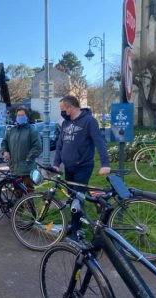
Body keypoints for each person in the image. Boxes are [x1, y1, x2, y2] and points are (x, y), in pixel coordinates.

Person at [53, 95, 111, 238]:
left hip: (83, 167)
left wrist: (105, 164)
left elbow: (99, 141)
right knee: (72, 197)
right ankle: (75, 224)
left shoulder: (89, 121)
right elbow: (60, 145)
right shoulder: (65, 123)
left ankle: (77, 230)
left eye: (62, 109)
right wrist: (56, 163)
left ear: (70, 108)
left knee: (78, 198)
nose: (61, 112)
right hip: (69, 167)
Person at [1, 107, 42, 193]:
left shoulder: (32, 130)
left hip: (27, 169)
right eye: (18, 115)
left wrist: (28, 158)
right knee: (17, 193)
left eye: (22, 115)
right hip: (14, 168)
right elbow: (4, 142)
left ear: (27, 117)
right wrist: (5, 151)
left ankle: (30, 207)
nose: (20, 117)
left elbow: (37, 147)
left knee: (29, 193)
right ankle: (19, 207)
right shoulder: (11, 130)